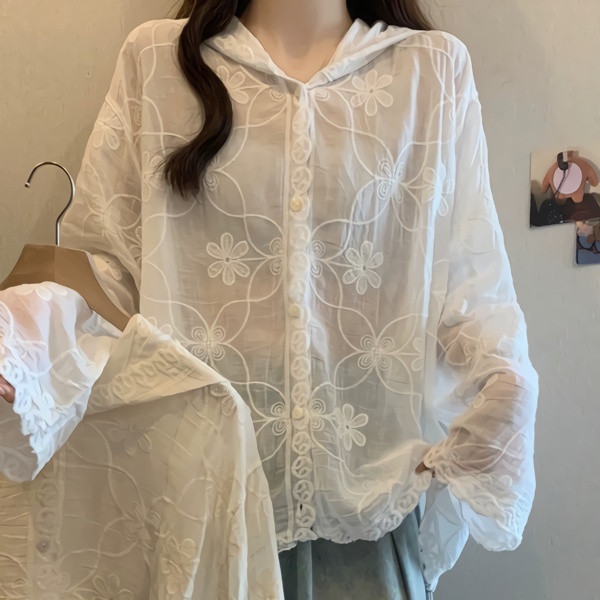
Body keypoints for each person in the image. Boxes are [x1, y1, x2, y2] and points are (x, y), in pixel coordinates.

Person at [0, 0, 538, 598]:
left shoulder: (431, 71)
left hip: (368, 511)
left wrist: (504, 381)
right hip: (200, 514)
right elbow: (105, 270)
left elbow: (468, 281)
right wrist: (22, 337)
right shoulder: (156, 63)